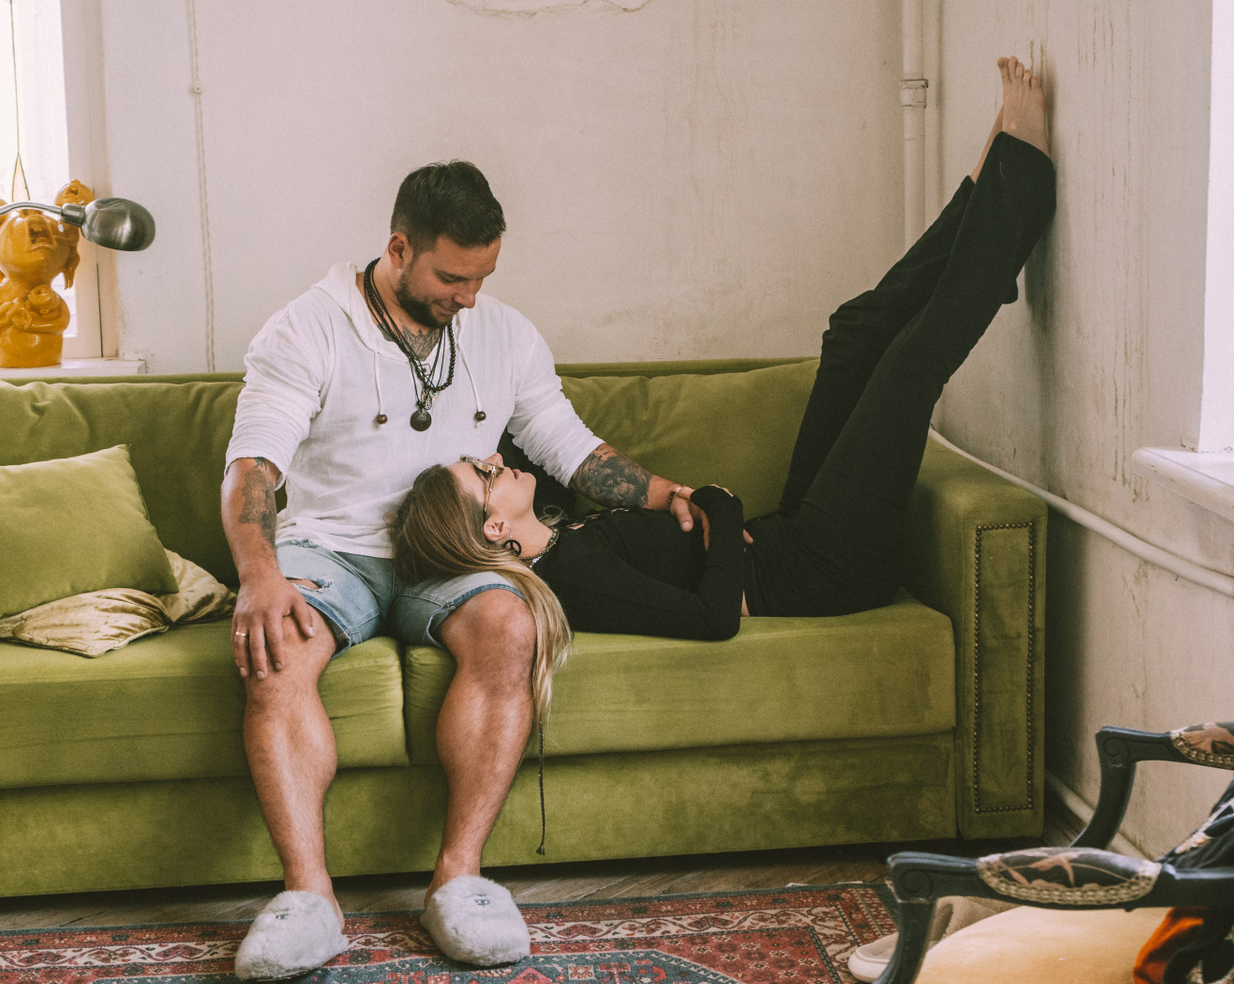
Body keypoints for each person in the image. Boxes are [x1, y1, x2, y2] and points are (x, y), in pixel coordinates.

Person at [222, 160, 708, 980]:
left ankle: (459, 881)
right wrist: (260, 577)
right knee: (276, 652)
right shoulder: (305, 329)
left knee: (510, 624)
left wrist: (667, 494)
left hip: (448, 549)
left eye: (482, 277)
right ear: (399, 250)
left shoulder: (504, 334)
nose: (470, 297)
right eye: (452, 277)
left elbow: (566, 443)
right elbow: (254, 467)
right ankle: (309, 900)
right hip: (331, 547)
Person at [392, 56, 1053, 647]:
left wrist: (685, 504)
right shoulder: (572, 578)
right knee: (906, 370)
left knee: (852, 334)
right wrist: (719, 506)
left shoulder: (561, 536)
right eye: (483, 476)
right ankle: (1020, 187)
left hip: (794, 536)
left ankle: (984, 195)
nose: (490, 459)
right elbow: (711, 618)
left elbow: (559, 444)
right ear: (494, 531)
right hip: (829, 570)